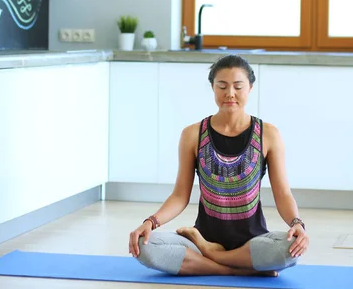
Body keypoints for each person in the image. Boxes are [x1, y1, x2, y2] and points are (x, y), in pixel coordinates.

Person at [129, 55, 309, 277]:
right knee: (143, 246)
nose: (230, 94)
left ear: (250, 88)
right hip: (204, 237)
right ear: (212, 87)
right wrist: (150, 222)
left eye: (238, 87)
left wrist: (297, 224)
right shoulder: (192, 134)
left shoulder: (269, 134)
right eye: (222, 86)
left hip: (253, 243)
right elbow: (180, 196)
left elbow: (282, 193)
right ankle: (237, 268)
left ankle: (212, 257)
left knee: (291, 250)